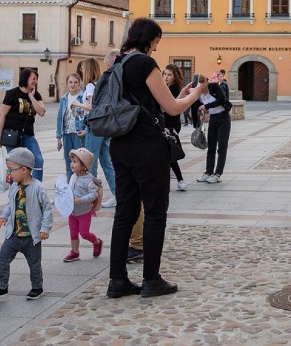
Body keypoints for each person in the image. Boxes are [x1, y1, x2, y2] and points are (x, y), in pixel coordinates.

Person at [106, 18, 203, 299]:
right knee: (155, 213)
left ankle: (117, 280)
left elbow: (150, 99)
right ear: (149, 39)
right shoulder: (145, 64)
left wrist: (180, 94)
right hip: (147, 147)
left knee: (125, 213)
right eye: (157, 42)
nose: (157, 47)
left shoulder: (118, 64)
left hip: (120, 145)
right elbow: (171, 108)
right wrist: (195, 94)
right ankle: (151, 279)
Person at [0, 147, 53, 300]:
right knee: (3, 257)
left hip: (31, 236)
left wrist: (45, 228)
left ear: (24, 169)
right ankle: (2, 287)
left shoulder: (38, 188)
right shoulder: (14, 186)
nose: (9, 174)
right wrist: (3, 216)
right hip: (14, 235)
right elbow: (10, 204)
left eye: (11, 170)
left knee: (34, 264)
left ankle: (37, 287)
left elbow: (47, 210)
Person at [73, 56, 117, 208]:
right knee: (106, 162)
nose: (81, 70)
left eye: (83, 68)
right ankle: (117, 193)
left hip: (95, 127)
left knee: (89, 163)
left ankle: (93, 197)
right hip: (102, 127)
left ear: (89, 69)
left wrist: (78, 104)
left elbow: (92, 107)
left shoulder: (91, 86)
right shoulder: (99, 84)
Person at [0, 68, 47, 181]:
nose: (35, 81)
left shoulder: (36, 95)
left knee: (38, 160)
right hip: (12, 136)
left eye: (36, 79)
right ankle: (15, 193)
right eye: (33, 78)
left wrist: (31, 97)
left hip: (28, 135)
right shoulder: (12, 93)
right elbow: (2, 115)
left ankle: (36, 188)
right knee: (14, 164)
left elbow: (42, 112)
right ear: (25, 78)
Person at [63, 148, 103, 263]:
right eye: (72, 161)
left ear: (84, 165)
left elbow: (93, 194)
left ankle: (97, 242)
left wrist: (82, 199)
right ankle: (75, 252)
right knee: (73, 232)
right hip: (72, 211)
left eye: (75, 162)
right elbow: (69, 189)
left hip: (84, 212)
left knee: (84, 233)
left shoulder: (89, 180)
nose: (72, 164)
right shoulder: (73, 176)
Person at [193, 74, 231, 184]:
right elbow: (196, 106)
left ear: (206, 82)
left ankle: (218, 174)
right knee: (211, 147)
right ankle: (208, 172)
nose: (201, 85)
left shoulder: (214, 87)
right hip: (213, 119)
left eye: (203, 82)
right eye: (199, 83)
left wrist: (206, 106)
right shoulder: (199, 94)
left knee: (222, 147)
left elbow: (221, 99)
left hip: (223, 118)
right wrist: (200, 113)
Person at [56, 73, 86, 180]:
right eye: (70, 82)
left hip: (78, 133)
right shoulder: (64, 98)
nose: (73, 85)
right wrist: (59, 137)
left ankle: (80, 185)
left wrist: (85, 130)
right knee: (69, 162)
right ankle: (70, 187)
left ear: (79, 84)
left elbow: (87, 115)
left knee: (79, 161)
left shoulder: (83, 97)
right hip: (67, 133)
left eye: (75, 82)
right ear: (67, 84)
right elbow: (60, 118)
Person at [162, 64, 187, 191]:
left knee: (170, 151)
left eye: (169, 75)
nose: (166, 77)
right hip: (167, 123)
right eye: (165, 74)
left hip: (170, 124)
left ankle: (180, 179)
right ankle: (176, 178)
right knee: (167, 153)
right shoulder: (167, 87)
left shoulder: (174, 89)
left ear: (175, 76)